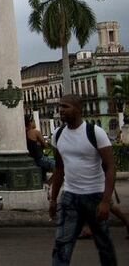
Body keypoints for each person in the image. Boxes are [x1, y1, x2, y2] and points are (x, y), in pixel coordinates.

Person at [49, 94, 117, 265]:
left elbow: (110, 168)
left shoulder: (95, 133)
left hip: (95, 195)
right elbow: (59, 168)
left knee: (104, 245)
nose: (61, 110)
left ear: (78, 110)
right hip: (70, 197)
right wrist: (53, 198)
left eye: (65, 107)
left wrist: (106, 201)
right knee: (61, 245)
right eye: (60, 106)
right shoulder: (57, 135)